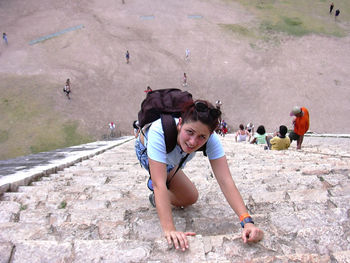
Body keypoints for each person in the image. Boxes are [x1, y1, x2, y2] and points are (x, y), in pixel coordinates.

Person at [135, 100, 263, 251]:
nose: (193, 142)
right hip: (147, 151)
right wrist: (170, 229)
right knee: (159, 181)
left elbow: (225, 180)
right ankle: (158, 188)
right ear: (180, 123)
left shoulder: (211, 140)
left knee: (190, 198)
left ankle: (156, 196)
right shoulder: (159, 131)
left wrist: (247, 221)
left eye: (202, 137)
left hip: (173, 159)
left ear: (210, 135)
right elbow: (159, 184)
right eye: (189, 132)